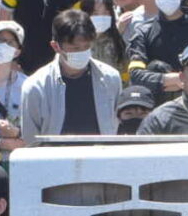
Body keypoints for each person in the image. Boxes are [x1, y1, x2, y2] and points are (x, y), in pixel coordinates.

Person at [16, 8, 122, 141]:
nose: (82, 52)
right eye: (75, 48)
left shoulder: (111, 79)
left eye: (86, 46)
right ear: (56, 46)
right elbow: (30, 140)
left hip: (101, 152)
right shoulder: (36, 87)